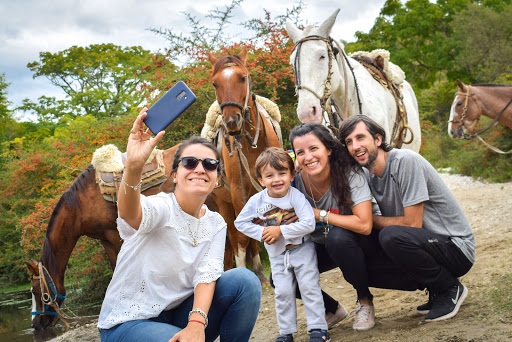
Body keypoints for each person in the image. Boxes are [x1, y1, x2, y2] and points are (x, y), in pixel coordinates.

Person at [97, 107, 261, 342]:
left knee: (245, 282)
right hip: (129, 323)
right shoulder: (162, 207)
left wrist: (196, 323)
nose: (200, 168)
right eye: (190, 162)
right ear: (174, 175)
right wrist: (133, 166)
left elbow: (207, 275)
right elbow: (131, 214)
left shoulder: (215, 222)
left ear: (217, 179)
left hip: (178, 316)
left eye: (210, 164)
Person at [337, 115, 475, 323]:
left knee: (391, 236)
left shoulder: (405, 161)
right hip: (428, 246)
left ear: (377, 139)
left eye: (360, 138)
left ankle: (449, 288)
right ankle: (437, 285)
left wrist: (368, 220)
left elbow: (412, 224)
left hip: (456, 247)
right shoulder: (367, 175)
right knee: (357, 268)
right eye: (349, 142)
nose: (355, 146)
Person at [287, 123, 378, 331]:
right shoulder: (295, 181)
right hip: (319, 243)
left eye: (313, 149)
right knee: (283, 272)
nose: (308, 157)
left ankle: (365, 302)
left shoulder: (350, 174)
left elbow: (364, 225)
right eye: (300, 152)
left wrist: (319, 214)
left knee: (338, 238)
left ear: (328, 149)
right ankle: (333, 309)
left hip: (354, 240)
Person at [235, 147, 330, 342]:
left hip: (302, 249)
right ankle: (286, 332)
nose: (276, 179)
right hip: (277, 256)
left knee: (309, 287)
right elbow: (240, 223)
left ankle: (319, 329)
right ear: (261, 180)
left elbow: (308, 223)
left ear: (292, 174)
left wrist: (281, 231)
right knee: (283, 292)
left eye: (282, 173)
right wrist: (262, 233)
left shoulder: (295, 197)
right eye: (269, 176)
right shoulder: (257, 200)